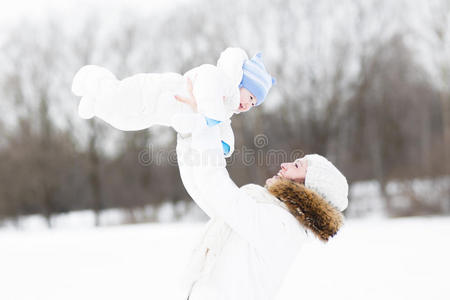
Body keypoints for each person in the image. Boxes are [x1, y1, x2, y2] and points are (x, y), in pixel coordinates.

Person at [175, 131, 348, 300]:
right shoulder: (267, 207)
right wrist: (188, 134)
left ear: (310, 189)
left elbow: (215, 185)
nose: (284, 165)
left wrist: (204, 132)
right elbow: (205, 190)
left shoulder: (282, 226)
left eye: (296, 166)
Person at [71, 47, 275, 157]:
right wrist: (208, 117)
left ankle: (94, 104)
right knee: (118, 96)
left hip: (156, 114)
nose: (249, 105)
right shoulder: (217, 77)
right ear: (241, 81)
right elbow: (207, 94)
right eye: (250, 97)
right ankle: (91, 78)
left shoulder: (223, 111)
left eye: (254, 104)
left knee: (124, 122)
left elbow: (223, 128)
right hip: (156, 91)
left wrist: (224, 146)